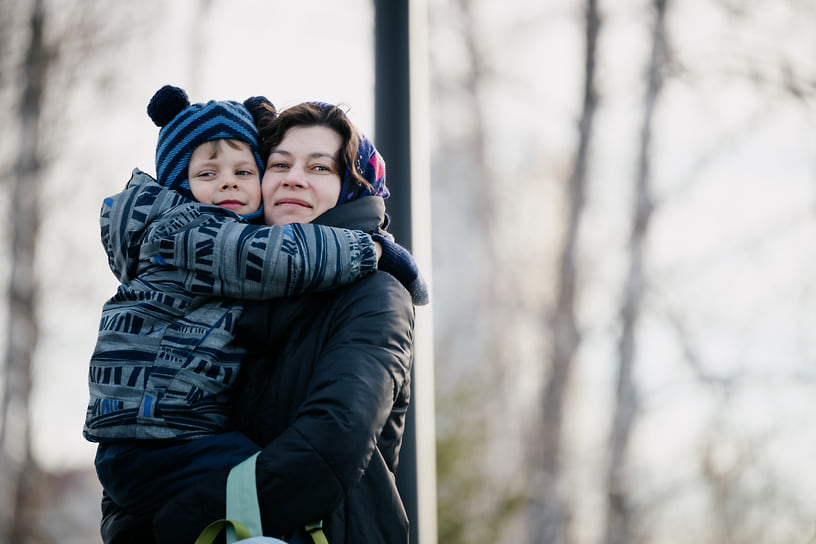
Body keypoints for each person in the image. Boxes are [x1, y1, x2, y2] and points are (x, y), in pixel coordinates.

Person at [85, 86, 422, 537]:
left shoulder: (374, 293)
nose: (294, 178)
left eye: (319, 167)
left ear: (352, 188)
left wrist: (184, 520)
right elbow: (146, 456)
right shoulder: (234, 287)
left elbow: (330, 445)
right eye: (279, 164)